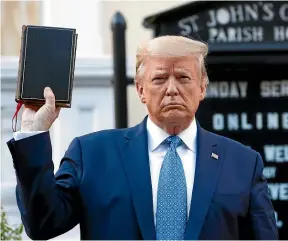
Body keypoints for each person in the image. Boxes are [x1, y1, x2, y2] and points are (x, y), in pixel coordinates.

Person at [7, 35, 278, 240]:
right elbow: (43, 224)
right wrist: (34, 133)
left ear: (202, 87)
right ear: (140, 90)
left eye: (183, 77)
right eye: (159, 79)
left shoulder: (242, 163)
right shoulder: (92, 154)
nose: (172, 89)